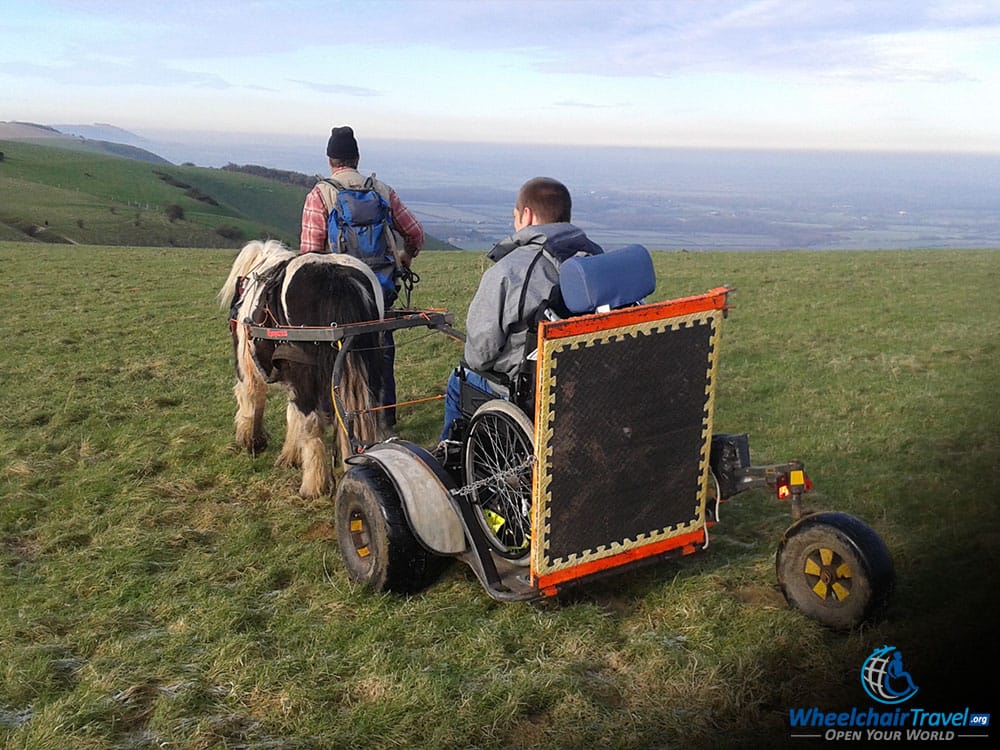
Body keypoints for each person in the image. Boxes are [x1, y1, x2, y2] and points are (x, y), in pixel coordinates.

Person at [438, 176, 603, 446]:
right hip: (585, 383)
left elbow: (479, 356)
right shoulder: (597, 259)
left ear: (526, 216)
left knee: (460, 379)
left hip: (528, 394)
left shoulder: (509, 271)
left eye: (515, 215)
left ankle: (450, 457)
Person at [299, 126, 424, 426]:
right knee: (380, 352)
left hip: (336, 297)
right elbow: (415, 233)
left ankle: (338, 416)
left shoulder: (320, 195)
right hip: (379, 291)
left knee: (333, 357)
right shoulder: (382, 191)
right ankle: (384, 419)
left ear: (330, 160)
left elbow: (308, 256)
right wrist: (404, 258)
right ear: (357, 158)